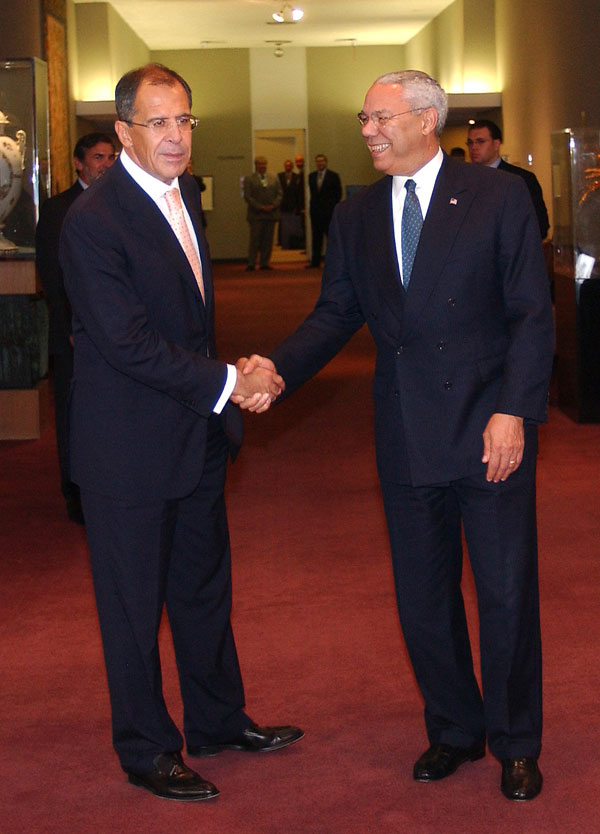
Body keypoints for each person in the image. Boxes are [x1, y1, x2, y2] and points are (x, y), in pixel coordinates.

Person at [247, 70, 554, 801]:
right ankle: (453, 729)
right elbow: (334, 316)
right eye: (363, 119)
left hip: (490, 430)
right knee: (423, 596)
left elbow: (530, 314)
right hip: (408, 433)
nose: (367, 131)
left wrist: (515, 410)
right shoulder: (355, 216)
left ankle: (516, 740)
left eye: (379, 117)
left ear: (426, 120)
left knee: (506, 593)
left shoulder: (497, 196)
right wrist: (276, 371)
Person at [59, 63, 303, 803]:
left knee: (202, 590)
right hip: (127, 452)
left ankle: (218, 721)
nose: (176, 136)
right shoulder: (93, 220)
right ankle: (145, 747)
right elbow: (127, 342)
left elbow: (189, 321)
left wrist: (221, 391)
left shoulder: (184, 196)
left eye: (185, 121)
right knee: (133, 610)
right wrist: (233, 383)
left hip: (195, 438)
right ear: (124, 131)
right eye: (159, 122)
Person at [35, 132, 116, 524]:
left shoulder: (120, 204)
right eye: (99, 157)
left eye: (111, 157)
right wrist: (70, 325)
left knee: (108, 413)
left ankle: (109, 485)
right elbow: (54, 275)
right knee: (72, 414)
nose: (106, 163)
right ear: (79, 163)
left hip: (116, 333)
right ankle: (75, 494)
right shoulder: (57, 209)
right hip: (73, 335)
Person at [467, 119, 550, 238]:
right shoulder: (464, 180)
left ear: (496, 144)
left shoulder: (520, 179)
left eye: (480, 142)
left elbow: (539, 225)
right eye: (470, 143)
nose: (474, 147)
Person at [242, 156, 282, 270]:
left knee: (268, 241)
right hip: (256, 215)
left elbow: (280, 193)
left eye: (264, 164)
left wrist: (273, 205)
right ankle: (251, 263)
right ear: (256, 165)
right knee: (255, 240)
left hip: (271, 214)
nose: (262, 166)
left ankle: (264, 263)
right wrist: (260, 207)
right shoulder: (249, 179)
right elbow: (248, 196)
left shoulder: (274, 177)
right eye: (260, 164)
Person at [307, 154, 342, 268]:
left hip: (329, 213)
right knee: (316, 238)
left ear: (326, 162)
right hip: (315, 213)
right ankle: (315, 262)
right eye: (318, 162)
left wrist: (332, 209)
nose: (320, 163)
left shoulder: (333, 176)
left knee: (331, 238)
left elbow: (338, 194)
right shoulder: (311, 176)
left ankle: (333, 262)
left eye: (322, 161)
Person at [277, 159, 302, 248]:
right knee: (281, 225)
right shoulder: (279, 176)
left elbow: (298, 192)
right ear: (284, 167)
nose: (288, 167)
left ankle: (291, 243)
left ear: (292, 167)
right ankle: (281, 241)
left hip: (293, 205)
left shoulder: (296, 177)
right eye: (286, 166)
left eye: (289, 166)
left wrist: (297, 206)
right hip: (282, 204)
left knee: (293, 225)